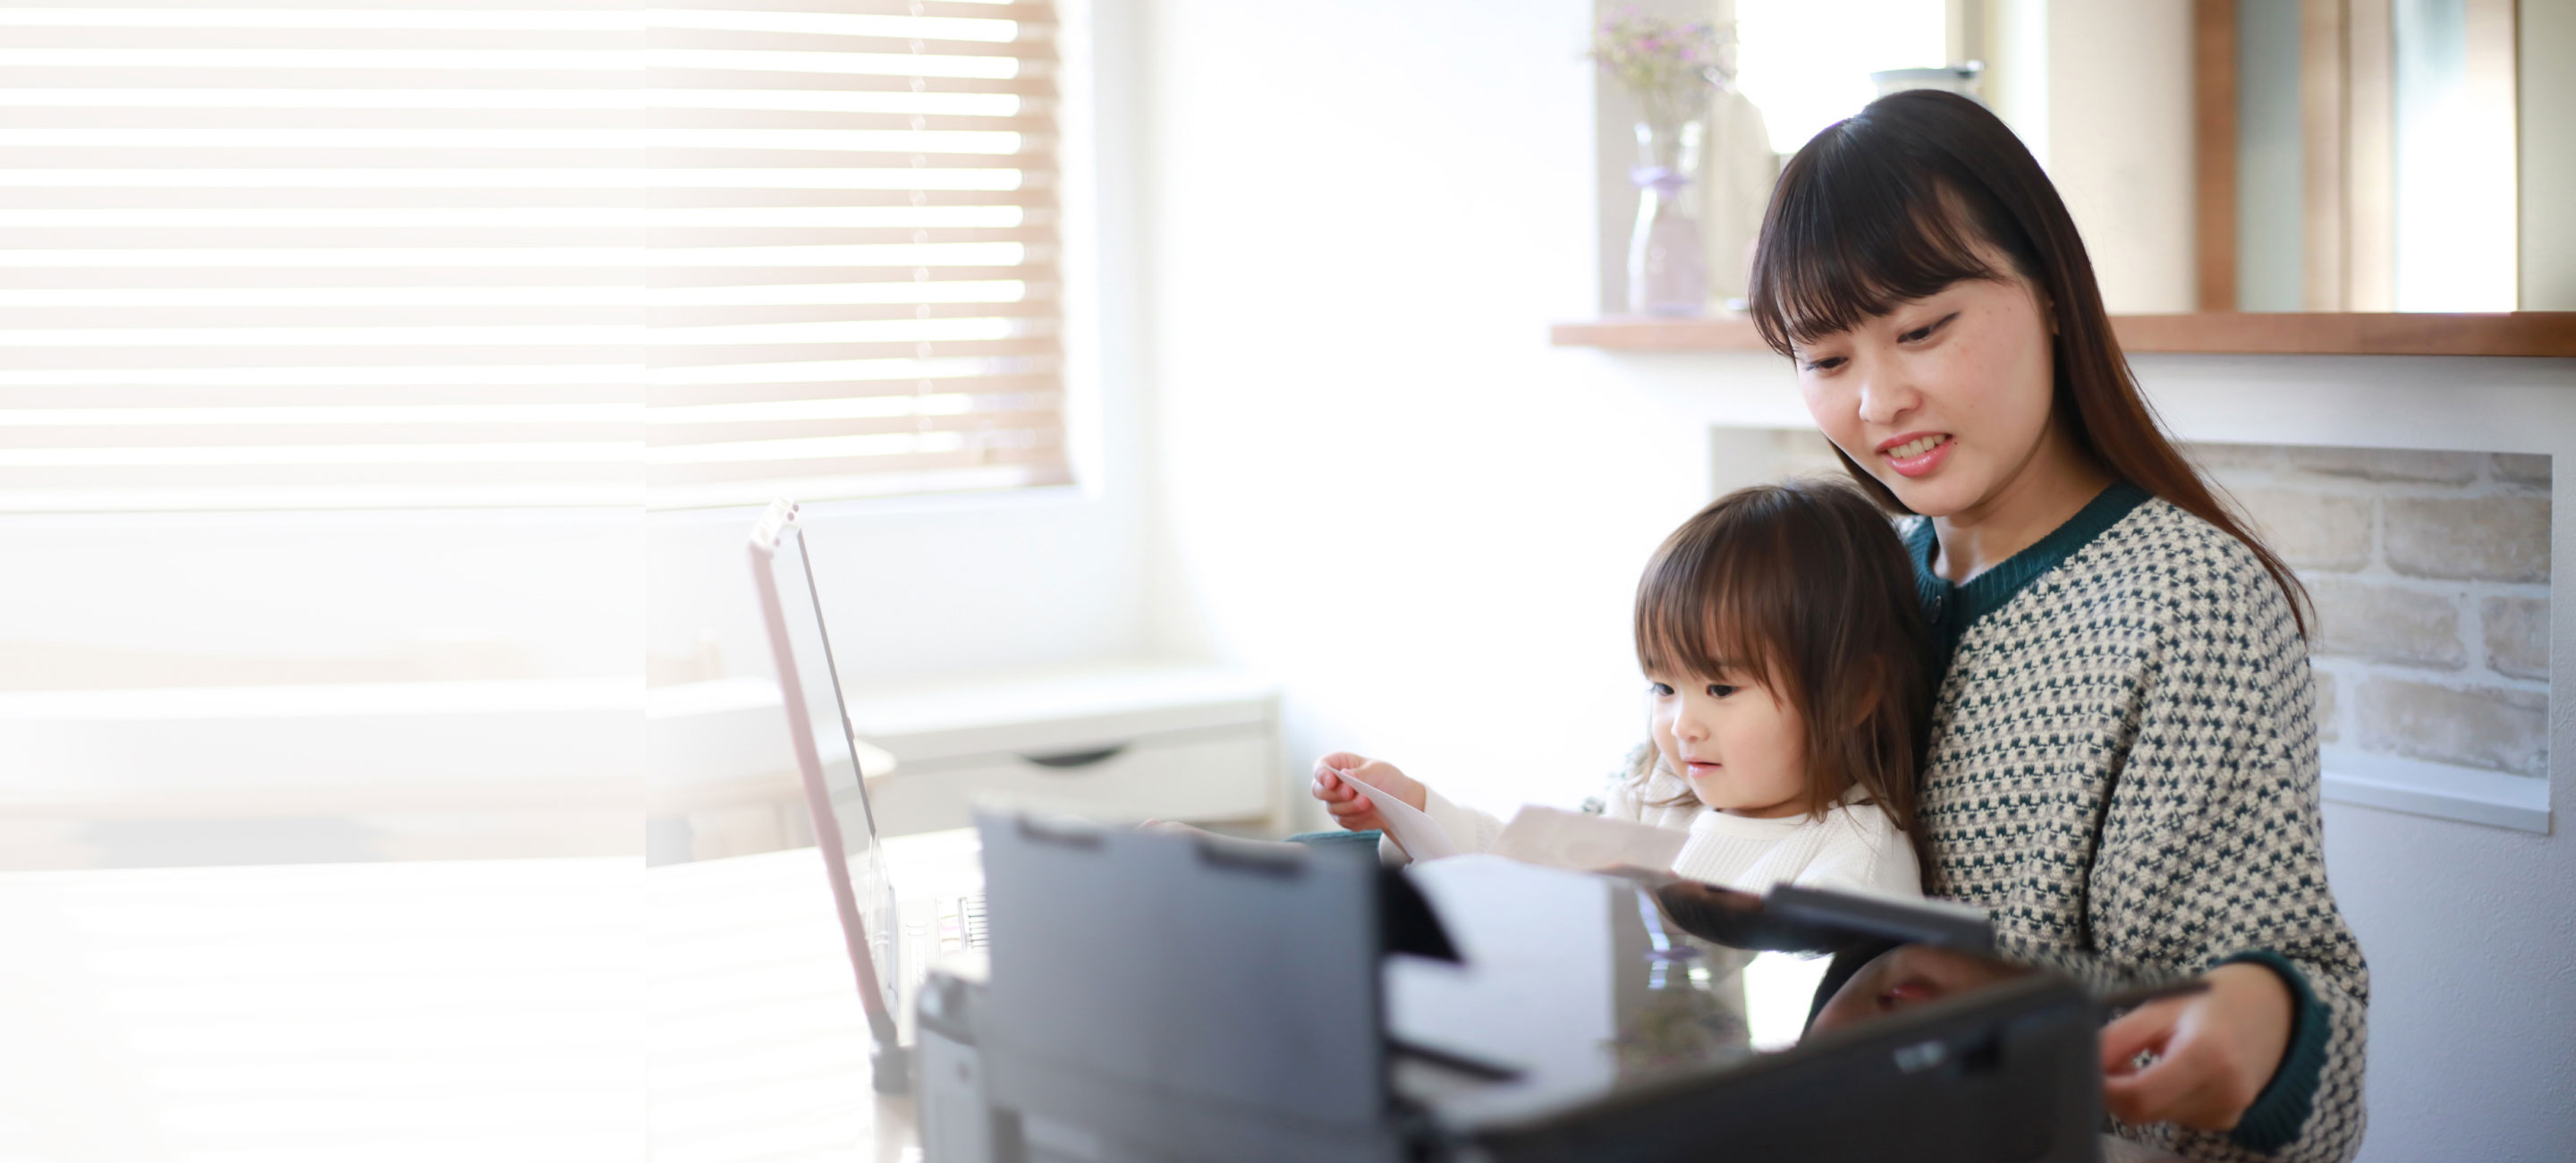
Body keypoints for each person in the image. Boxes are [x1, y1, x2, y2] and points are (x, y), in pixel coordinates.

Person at [1721, 89, 2364, 1163]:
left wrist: (2264, 1018)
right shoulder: (1851, 582)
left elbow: (2277, 1019)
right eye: (1826, 360)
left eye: (1922, 330)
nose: (1877, 401)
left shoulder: (2187, 604)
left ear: (2054, 293)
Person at [1311, 478, 1933, 900]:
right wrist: (1413, 810)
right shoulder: (1659, 797)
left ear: (1853, 694)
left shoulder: (1854, 864)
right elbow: (1524, 874)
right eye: (1663, 686)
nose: (1682, 725)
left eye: (1720, 689)